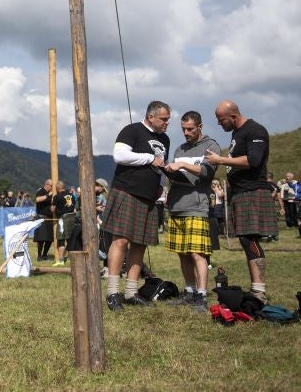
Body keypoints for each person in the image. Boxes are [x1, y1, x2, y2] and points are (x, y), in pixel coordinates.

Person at [205, 100, 282, 304]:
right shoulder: (237, 133)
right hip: (241, 192)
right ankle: (256, 288)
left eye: (221, 120)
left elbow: (253, 160)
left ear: (233, 116)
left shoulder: (255, 130)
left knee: (250, 240)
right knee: (245, 240)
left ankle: (259, 291)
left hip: (252, 191)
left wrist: (221, 160)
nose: (219, 123)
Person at [102, 100, 171, 311]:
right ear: (151, 116)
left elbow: (160, 167)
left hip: (148, 197)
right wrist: (150, 158)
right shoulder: (132, 130)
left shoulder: (165, 139)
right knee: (121, 241)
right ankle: (113, 293)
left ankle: (131, 293)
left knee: (140, 244)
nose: (167, 123)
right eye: (164, 119)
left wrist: (160, 186)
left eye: (168, 119)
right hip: (127, 192)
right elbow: (119, 156)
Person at [162, 111, 220, 311]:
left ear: (200, 126)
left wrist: (182, 164)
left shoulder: (211, 146)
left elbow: (207, 172)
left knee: (198, 253)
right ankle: (189, 292)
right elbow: (176, 173)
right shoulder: (180, 148)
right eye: (183, 129)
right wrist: (169, 172)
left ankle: (201, 296)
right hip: (177, 205)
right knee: (183, 253)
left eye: (190, 129)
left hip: (197, 206)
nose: (186, 133)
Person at [33, 180, 56, 261]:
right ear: (47, 185)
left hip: (50, 218)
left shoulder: (53, 193)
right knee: (41, 239)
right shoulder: (41, 191)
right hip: (41, 218)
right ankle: (39, 256)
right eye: (52, 186)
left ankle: (44, 255)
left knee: (49, 239)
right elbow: (38, 199)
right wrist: (48, 195)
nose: (52, 188)